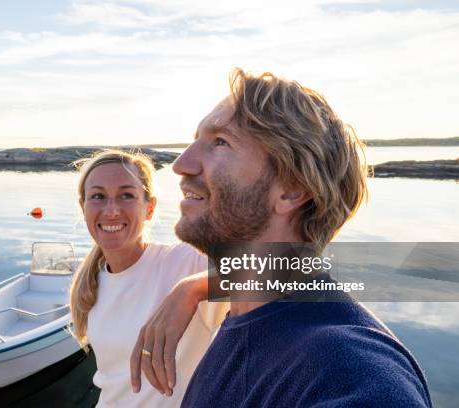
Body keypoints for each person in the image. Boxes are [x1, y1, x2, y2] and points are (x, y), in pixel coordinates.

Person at [131, 69, 432, 407]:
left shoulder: (353, 373)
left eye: (220, 142)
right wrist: (194, 287)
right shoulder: (244, 321)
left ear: (292, 190)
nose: (181, 164)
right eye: (196, 139)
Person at [69, 149, 227, 407]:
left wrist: (191, 290)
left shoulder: (186, 261)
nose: (111, 210)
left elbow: (300, 268)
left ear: (150, 208)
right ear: (83, 206)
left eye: (126, 196)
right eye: (98, 196)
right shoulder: (92, 282)